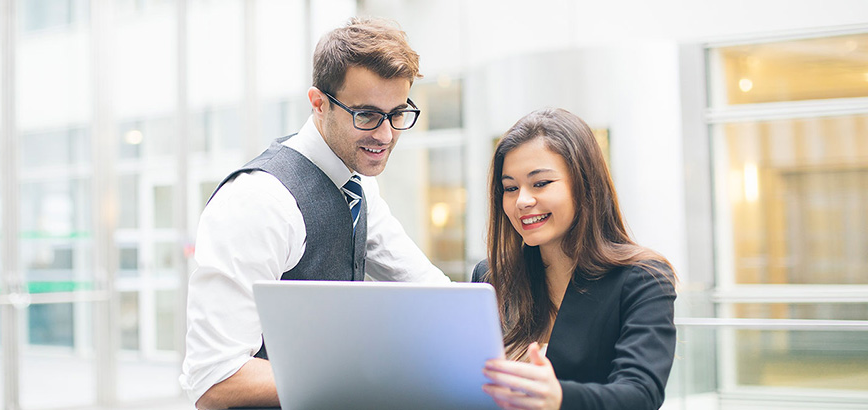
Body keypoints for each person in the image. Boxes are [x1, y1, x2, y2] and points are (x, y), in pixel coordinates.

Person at [179, 17, 450, 410]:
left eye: (397, 114)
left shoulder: (357, 186)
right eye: (367, 115)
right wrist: (365, 372)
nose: (387, 135)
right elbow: (213, 379)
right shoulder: (259, 201)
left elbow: (427, 287)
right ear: (319, 103)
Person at [474, 108, 677, 410]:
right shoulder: (491, 277)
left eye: (540, 183)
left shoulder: (643, 279)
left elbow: (640, 394)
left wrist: (559, 398)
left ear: (584, 185)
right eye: (510, 188)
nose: (522, 201)